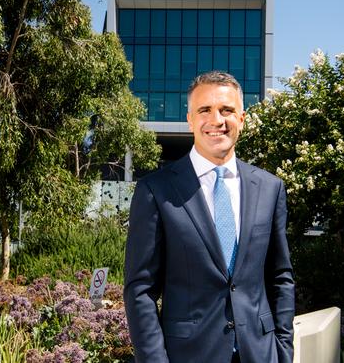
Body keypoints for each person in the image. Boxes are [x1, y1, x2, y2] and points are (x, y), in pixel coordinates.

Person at [124, 71, 295, 363]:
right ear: (190, 119)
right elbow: (140, 289)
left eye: (227, 110)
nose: (217, 120)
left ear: (241, 118)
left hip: (261, 354)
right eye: (205, 110)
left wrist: (283, 349)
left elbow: (280, 277)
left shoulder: (270, 188)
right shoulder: (156, 190)